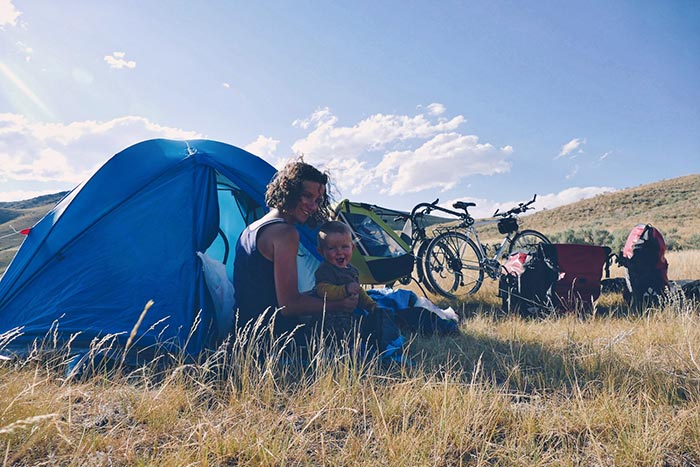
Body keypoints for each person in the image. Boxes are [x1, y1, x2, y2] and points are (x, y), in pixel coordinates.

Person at [233, 159, 358, 345]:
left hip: (244, 332)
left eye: (317, 200)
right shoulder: (286, 233)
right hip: (272, 340)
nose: (313, 206)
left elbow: (266, 294)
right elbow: (288, 306)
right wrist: (339, 305)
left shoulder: (251, 228)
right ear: (289, 192)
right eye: (306, 196)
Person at [313, 220, 379, 338]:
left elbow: (358, 291)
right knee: (339, 330)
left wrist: (370, 305)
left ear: (352, 247)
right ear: (321, 252)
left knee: (366, 326)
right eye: (332, 248)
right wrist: (345, 290)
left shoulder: (352, 271)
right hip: (329, 316)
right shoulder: (325, 270)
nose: (339, 252)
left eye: (344, 247)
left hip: (348, 314)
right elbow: (322, 290)